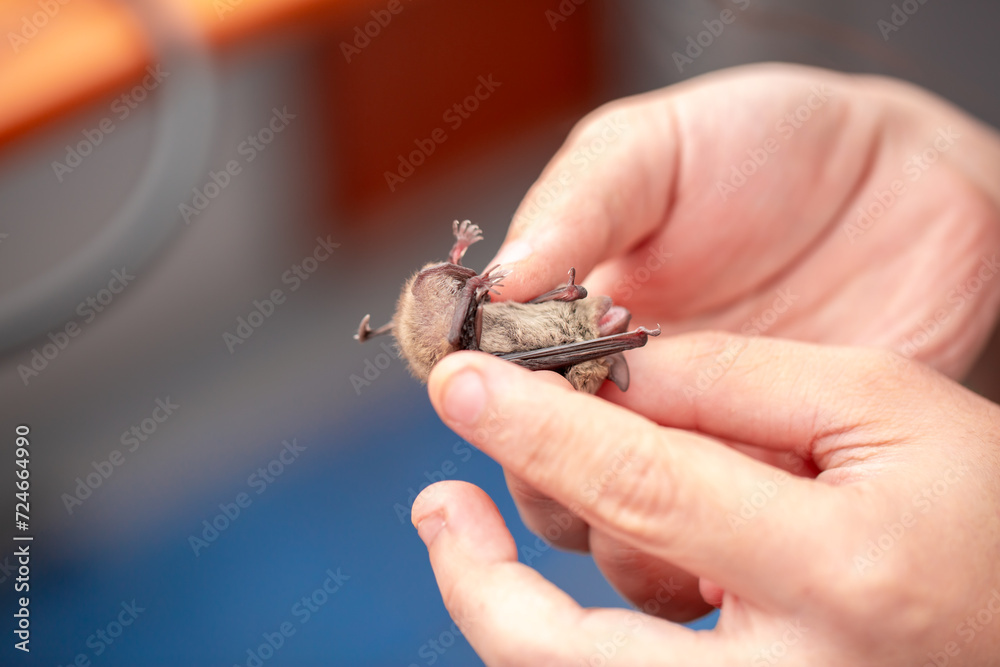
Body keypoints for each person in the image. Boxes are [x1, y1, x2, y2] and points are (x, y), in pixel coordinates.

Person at [410, 63, 1000, 665]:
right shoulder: (496, 335)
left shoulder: (495, 316)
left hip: (572, 340)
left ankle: (613, 338)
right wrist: (960, 169)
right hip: (567, 351)